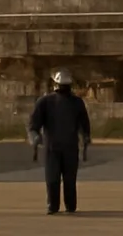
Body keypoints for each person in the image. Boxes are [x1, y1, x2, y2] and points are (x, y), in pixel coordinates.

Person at [27, 69, 91, 215]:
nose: (63, 88)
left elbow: (84, 124)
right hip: (52, 147)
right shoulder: (44, 102)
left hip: (70, 147)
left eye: (66, 86)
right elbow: (33, 125)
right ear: (55, 84)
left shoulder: (76, 103)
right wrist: (34, 137)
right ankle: (53, 206)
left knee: (69, 180)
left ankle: (70, 206)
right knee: (52, 179)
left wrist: (86, 137)